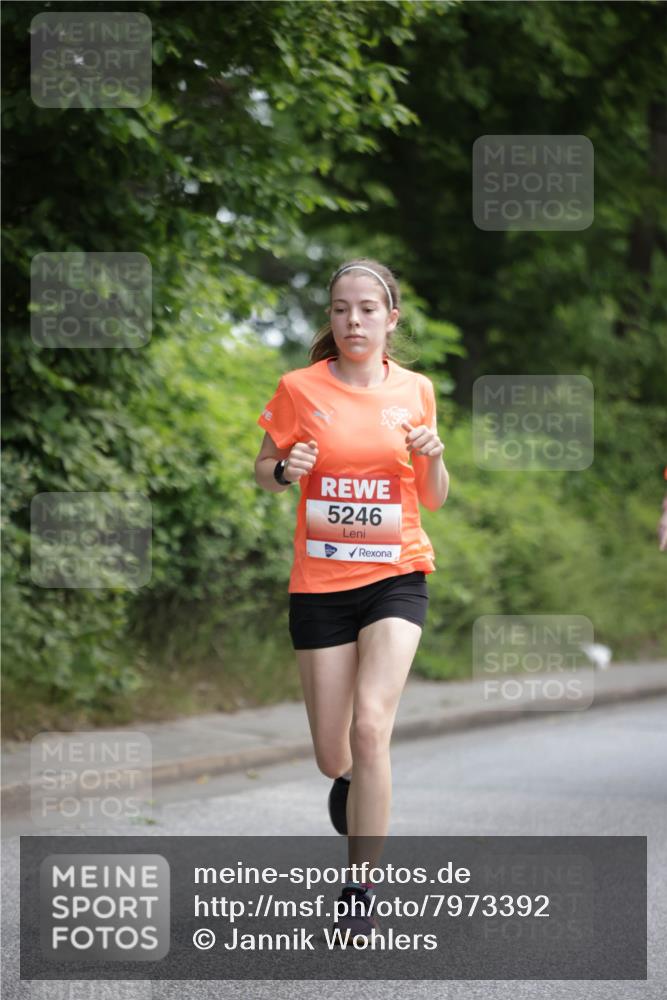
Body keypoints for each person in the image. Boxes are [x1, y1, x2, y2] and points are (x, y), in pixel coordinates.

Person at [254, 257, 449, 941]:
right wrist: (285, 468)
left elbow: (432, 497)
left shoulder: (416, 390)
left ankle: (359, 885)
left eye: (366, 308)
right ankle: (350, 783)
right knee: (333, 755)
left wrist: (432, 455)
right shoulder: (299, 387)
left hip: (397, 574)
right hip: (320, 587)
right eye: (340, 309)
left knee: (371, 728)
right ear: (329, 318)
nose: (353, 320)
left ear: (390, 318)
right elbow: (263, 471)